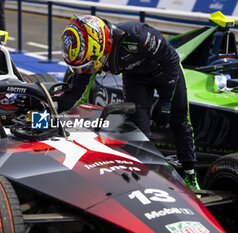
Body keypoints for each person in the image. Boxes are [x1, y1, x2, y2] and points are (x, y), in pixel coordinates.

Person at [53, 15, 200, 191]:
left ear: (100, 48)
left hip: (167, 71)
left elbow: (172, 60)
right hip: (135, 78)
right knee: (139, 132)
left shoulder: (137, 35)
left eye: (87, 66)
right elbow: (76, 94)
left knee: (179, 120)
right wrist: (52, 107)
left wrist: (166, 100)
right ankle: (145, 178)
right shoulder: (88, 53)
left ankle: (191, 175)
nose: (86, 70)